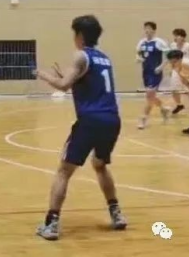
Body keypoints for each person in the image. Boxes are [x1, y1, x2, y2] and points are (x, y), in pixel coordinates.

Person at [35, 15, 127, 241]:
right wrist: (69, 79)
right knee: (100, 165)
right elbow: (89, 83)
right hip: (112, 119)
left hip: (90, 120)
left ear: (80, 35)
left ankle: (51, 224)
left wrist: (42, 74)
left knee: (64, 171)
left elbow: (63, 85)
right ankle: (116, 213)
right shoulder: (104, 58)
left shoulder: (80, 55)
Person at [136, 22, 171, 129]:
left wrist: (161, 66)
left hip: (155, 73)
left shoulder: (159, 42)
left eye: (149, 28)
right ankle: (164, 109)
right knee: (151, 96)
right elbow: (138, 53)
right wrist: (138, 58)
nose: (147, 30)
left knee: (149, 96)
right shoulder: (142, 42)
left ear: (154, 30)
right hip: (146, 72)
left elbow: (169, 56)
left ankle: (143, 119)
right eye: (145, 28)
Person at [165, 49, 189, 135]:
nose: (172, 64)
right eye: (171, 62)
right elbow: (185, 81)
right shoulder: (177, 67)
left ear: (180, 59)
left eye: (174, 62)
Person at [166, 28, 189, 115]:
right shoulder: (173, 45)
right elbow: (171, 58)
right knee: (174, 89)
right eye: (174, 36)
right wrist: (171, 69)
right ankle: (179, 105)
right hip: (176, 69)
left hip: (187, 70)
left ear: (182, 37)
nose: (175, 37)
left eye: (177, 36)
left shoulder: (188, 46)